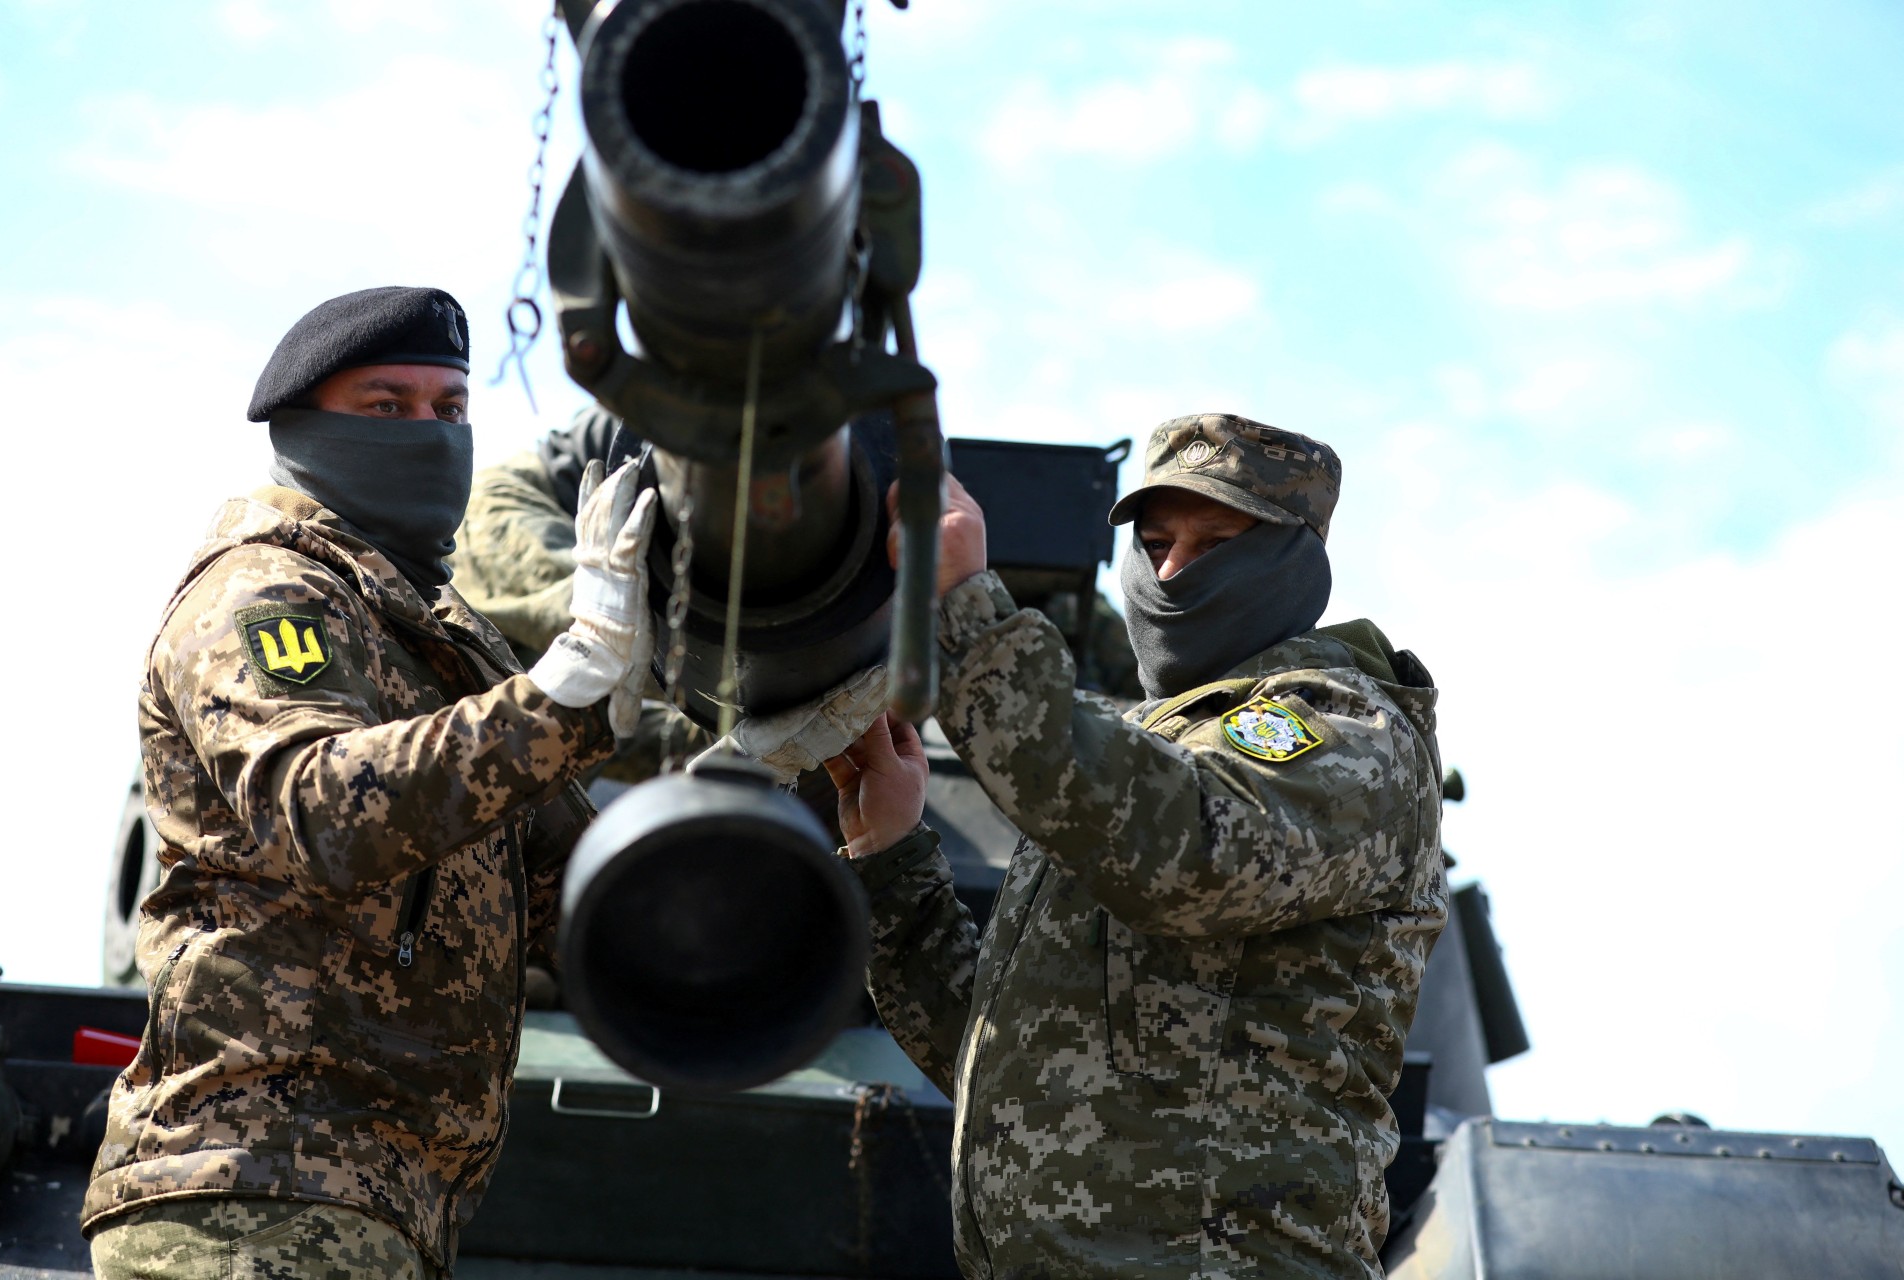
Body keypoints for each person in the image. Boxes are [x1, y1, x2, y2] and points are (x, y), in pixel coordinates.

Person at [82, 287, 660, 1278]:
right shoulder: (267, 590)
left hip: (370, 1208)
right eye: (387, 407)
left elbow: (569, 890)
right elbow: (320, 809)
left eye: (449, 410)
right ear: (305, 427)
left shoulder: (442, 637)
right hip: (249, 1192)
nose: (428, 434)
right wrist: (560, 686)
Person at [825, 413, 1447, 1278]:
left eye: (1215, 542)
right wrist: (892, 854)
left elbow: (1187, 852)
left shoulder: (1345, 730)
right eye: (1154, 543)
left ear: (1292, 561)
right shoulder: (1142, 749)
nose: (1172, 572)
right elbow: (1010, 1061)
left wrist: (965, 613)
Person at [450, 406, 712, 784]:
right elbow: (619, 630)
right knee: (613, 620)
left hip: (499, 744)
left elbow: (616, 725)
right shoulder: (499, 516)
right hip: (521, 502)